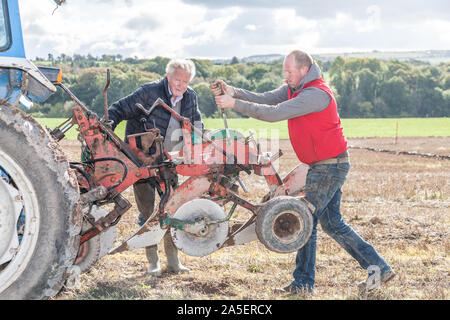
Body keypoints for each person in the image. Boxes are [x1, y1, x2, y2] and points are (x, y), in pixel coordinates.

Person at [211, 50, 394, 294]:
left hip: (329, 166)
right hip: (323, 165)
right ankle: (378, 269)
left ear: (304, 70)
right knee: (332, 224)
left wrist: (234, 104)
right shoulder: (294, 88)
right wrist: (233, 91)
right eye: (284, 71)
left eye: (289, 71)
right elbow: (266, 98)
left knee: (305, 217)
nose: (285, 76)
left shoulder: (316, 95)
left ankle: (303, 283)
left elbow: (274, 113)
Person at [108, 58, 203, 276]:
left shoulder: (190, 97)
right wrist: (109, 134)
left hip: (169, 162)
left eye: (185, 81)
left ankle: (173, 262)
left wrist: (198, 146)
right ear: (168, 76)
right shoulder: (149, 92)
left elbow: (196, 125)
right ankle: (153, 263)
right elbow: (118, 109)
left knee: (171, 209)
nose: (181, 85)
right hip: (141, 162)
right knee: (148, 212)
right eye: (177, 80)